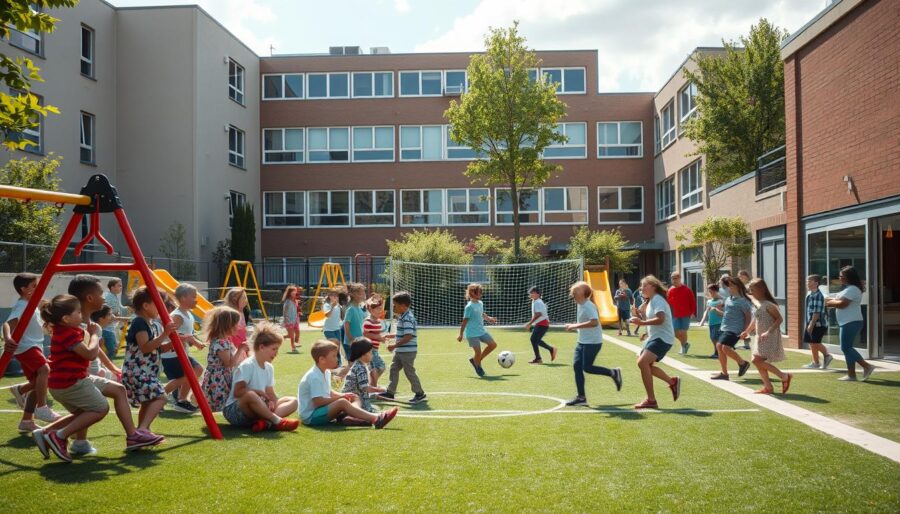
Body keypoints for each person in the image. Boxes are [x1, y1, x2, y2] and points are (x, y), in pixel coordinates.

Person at [34, 295, 163, 462]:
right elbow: (90, 354)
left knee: (118, 390)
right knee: (100, 408)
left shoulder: (69, 330)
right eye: (78, 313)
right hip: (70, 383)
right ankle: (59, 436)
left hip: (76, 379)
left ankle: (133, 435)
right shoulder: (66, 333)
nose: (81, 316)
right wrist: (96, 334)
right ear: (66, 319)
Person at [2, 272, 61, 432]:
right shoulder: (22, 305)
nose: (39, 289)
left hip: (34, 345)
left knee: (37, 383)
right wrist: (7, 338)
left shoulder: (32, 304)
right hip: (26, 346)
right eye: (35, 286)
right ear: (24, 289)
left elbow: (36, 323)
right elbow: (8, 323)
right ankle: (42, 406)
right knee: (45, 370)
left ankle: (26, 420)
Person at [297, 339, 397, 428]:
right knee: (342, 402)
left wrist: (344, 395)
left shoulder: (325, 372)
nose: (337, 359)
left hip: (320, 411)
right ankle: (376, 419)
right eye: (333, 356)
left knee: (355, 396)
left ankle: (352, 417)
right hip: (311, 416)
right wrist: (340, 398)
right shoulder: (314, 376)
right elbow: (318, 402)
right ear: (322, 359)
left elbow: (328, 392)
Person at [223, 322, 299, 432]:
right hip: (235, 412)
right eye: (274, 349)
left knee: (293, 401)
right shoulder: (247, 365)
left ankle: (265, 423)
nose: (276, 353)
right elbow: (238, 392)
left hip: (257, 410)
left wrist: (272, 402)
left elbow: (270, 393)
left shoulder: (269, 367)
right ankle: (277, 421)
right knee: (250, 394)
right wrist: (258, 392)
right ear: (262, 347)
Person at [122, 287, 173, 438]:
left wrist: (168, 345)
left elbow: (152, 348)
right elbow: (145, 347)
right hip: (137, 371)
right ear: (146, 305)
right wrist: (165, 334)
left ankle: (141, 433)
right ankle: (143, 429)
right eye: (159, 304)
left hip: (144, 371)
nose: (161, 309)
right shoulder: (139, 322)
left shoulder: (148, 323)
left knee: (147, 402)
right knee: (161, 397)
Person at [564, 281, 622, 406]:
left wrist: (575, 326)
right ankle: (581, 398)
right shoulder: (580, 304)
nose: (573, 291)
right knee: (576, 366)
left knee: (587, 368)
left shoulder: (588, 305)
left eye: (576, 290)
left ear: (584, 294)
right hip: (582, 341)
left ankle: (613, 373)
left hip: (593, 342)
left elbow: (594, 322)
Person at [629, 275, 680, 409]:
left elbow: (661, 319)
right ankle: (672, 382)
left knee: (642, 362)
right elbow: (656, 321)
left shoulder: (658, 300)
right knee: (645, 365)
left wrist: (642, 322)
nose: (642, 288)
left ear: (653, 286)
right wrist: (646, 331)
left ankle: (651, 400)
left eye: (644, 285)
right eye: (641, 286)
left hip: (663, 339)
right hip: (656, 337)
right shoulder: (652, 301)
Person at [825, 266, 875, 381]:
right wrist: (831, 300)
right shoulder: (848, 289)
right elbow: (835, 298)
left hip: (851, 322)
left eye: (842, 276)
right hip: (847, 322)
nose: (839, 278)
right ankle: (851, 375)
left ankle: (867, 366)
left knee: (846, 347)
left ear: (848, 277)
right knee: (847, 348)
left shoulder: (852, 289)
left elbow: (842, 304)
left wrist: (829, 303)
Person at [161, 284, 205, 414]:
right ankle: (167, 396)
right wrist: (189, 339)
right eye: (194, 297)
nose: (196, 300)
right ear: (184, 298)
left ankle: (179, 398)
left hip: (180, 354)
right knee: (196, 370)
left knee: (192, 373)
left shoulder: (188, 314)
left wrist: (195, 342)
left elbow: (187, 334)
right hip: (172, 355)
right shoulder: (177, 315)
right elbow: (170, 334)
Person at [743, 279, 792, 394]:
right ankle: (768, 387)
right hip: (759, 336)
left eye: (753, 290)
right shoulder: (759, 304)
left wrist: (768, 332)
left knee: (756, 360)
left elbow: (779, 319)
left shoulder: (769, 305)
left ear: (761, 290)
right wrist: (747, 331)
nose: (751, 292)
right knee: (757, 360)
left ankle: (784, 376)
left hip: (768, 337)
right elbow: (756, 319)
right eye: (750, 290)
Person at [378, 291, 427, 404]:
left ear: (403, 305)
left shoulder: (407, 318)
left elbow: (408, 336)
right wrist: (392, 335)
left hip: (407, 351)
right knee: (394, 368)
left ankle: (419, 393)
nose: (393, 307)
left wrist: (394, 345)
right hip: (402, 350)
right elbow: (404, 333)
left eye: (395, 305)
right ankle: (390, 392)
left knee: (409, 371)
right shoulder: (403, 317)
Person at [200, 306, 249, 412]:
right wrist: (240, 349)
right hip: (218, 379)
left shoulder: (223, 340)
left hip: (221, 376)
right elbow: (229, 364)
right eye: (236, 324)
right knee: (221, 404)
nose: (239, 326)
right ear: (228, 325)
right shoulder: (221, 343)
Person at [711, 276, 753, 381]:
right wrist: (717, 311)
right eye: (728, 285)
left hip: (735, 329)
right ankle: (724, 373)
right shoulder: (729, 299)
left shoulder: (743, 301)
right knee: (719, 346)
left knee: (724, 347)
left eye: (731, 285)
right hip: (725, 327)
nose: (728, 287)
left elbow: (748, 317)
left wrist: (745, 331)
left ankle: (743, 363)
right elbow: (727, 313)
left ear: (737, 287)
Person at [457, 283, 498, 377]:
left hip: (481, 331)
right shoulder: (469, 307)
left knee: (493, 345)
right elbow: (464, 321)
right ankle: (478, 366)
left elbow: (482, 314)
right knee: (478, 352)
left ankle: (475, 360)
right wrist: (461, 334)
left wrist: (489, 319)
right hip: (472, 333)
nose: (481, 294)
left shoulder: (480, 303)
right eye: (479, 292)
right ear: (472, 293)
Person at [341, 338, 386, 416]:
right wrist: (379, 390)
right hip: (354, 401)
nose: (372, 354)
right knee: (375, 412)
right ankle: (352, 416)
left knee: (375, 408)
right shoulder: (360, 368)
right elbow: (364, 388)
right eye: (370, 352)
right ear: (363, 354)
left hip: (355, 399)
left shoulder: (360, 365)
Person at [803, 274, 833, 369]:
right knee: (811, 342)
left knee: (815, 342)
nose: (807, 283)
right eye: (807, 281)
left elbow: (817, 312)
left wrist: (811, 325)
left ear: (816, 283)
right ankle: (815, 363)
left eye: (809, 281)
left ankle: (827, 356)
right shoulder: (810, 294)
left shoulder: (818, 295)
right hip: (811, 322)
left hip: (818, 323)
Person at [339, 283, 367, 377]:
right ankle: (338, 378)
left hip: (358, 342)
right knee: (352, 364)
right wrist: (351, 339)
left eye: (364, 293)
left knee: (355, 364)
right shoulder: (350, 309)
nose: (363, 295)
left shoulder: (359, 308)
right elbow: (346, 325)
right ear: (354, 294)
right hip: (351, 343)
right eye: (361, 293)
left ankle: (339, 378)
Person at [524, 286, 556, 364]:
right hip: (541, 323)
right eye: (530, 293)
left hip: (542, 323)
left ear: (538, 294)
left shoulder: (538, 302)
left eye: (533, 293)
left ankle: (540, 357)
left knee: (534, 339)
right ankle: (541, 356)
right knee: (535, 340)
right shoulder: (535, 301)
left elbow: (538, 314)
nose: (531, 294)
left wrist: (529, 323)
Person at [362, 294, 388, 388]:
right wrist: (379, 338)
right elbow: (365, 334)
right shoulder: (368, 321)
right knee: (380, 366)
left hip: (374, 349)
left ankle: (372, 385)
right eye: (377, 309)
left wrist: (382, 338)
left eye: (380, 308)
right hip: (369, 349)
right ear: (371, 310)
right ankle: (372, 386)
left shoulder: (377, 320)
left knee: (375, 368)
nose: (380, 311)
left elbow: (375, 334)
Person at [667, 272, 695, 355]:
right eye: (673, 278)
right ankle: (685, 344)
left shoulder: (687, 290)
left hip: (686, 314)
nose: (674, 280)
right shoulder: (670, 290)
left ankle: (683, 348)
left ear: (680, 278)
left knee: (683, 332)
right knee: (675, 332)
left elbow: (692, 301)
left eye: (676, 278)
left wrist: (693, 312)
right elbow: (667, 302)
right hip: (675, 314)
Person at [102, 278, 130, 348]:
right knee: (112, 350)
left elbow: (119, 309)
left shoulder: (112, 295)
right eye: (119, 286)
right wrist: (124, 318)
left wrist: (128, 309)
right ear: (112, 287)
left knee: (111, 349)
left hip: (109, 328)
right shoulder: (110, 297)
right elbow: (110, 315)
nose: (121, 288)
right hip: (107, 329)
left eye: (121, 286)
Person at [698, 284, 724, 359]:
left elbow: (722, 312)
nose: (710, 293)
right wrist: (702, 321)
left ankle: (718, 353)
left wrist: (716, 309)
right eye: (709, 292)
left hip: (718, 322)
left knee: (716, 338)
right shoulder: (709, 301)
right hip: (711, 323)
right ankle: (717, 352)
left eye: (712, 292)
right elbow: (706, 311)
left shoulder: (720, 301)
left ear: (716, 291)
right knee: (712, 338)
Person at [282, 284, 300, 353]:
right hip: (289, 320)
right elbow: (285, 310)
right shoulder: (287, 301)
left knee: (297, 332)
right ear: (289, 293)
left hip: (295, 319)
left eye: (295, 291)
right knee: (291, 336)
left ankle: (296, 343)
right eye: (293, 291)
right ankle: (293, 348)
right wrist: (285, 318)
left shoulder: (295, 300)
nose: (295, 292)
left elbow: (295, 309)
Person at [737, 270, 753, 349]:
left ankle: (749, 344)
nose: (740, 278)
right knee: (744, 324)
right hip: (743, 307)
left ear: (746, 276)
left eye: (741, 276)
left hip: (749, 307)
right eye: (739, 277)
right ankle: (746, 343)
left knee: (749, 324)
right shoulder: (741, 286)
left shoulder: (750, 285)